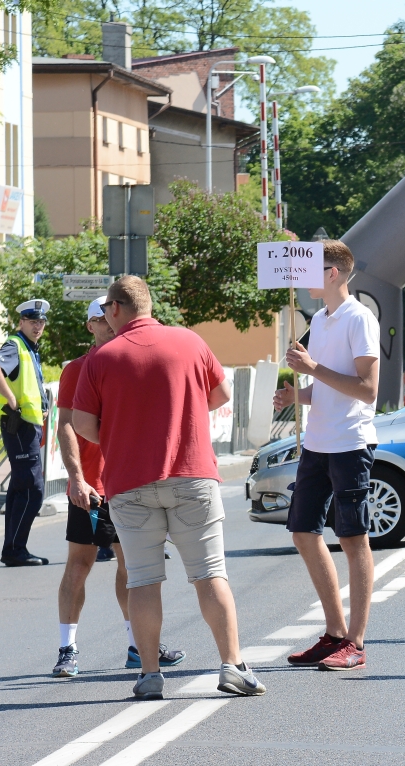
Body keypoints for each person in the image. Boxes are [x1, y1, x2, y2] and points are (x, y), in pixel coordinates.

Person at [73, 275, 263, 699]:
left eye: (106, 310)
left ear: (115, 308)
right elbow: (221, 393)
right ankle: (233, 666)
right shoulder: (190, 341)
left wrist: (123, 436)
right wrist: (181, 418)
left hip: (130, 483)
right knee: (210, 574)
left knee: (142, 580)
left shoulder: (102, 357)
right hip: (192, 474)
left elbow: (82, 423)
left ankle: (150, 675)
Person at [52, 297, 186, 678]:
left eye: (111, 317)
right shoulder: (77, 369)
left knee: (134, 567)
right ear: (90, 326)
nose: (108, 325)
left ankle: (137, 646)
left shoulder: (131, 361)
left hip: (130, 482)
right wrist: (77, 478)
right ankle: (67, 649)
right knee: (80, 564)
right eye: (99, 319)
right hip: (92, 486)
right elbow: (66, 427)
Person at [276, 240, 380, 672]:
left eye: (308, 270)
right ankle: (334, 633)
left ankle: (356, 642)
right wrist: (297, 395)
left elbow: (367, 389)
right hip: (317, 442)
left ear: (332, 273)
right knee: (303, 532)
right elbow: (326, 386)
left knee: (353, 539)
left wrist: (312, 369)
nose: (301, 279)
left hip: (351, 443)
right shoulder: (319, 319)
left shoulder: (361, 318)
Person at [0, 299, 51, 566]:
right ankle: (15, 549)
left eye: (41, 322)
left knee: (19, 488)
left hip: (27, 426)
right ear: (21, 322)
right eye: (32, 321)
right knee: (32, 489)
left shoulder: (28, 347)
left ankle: (13, 549)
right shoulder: (16, 344)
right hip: (20, 425)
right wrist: (12, 400)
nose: (38, 326)